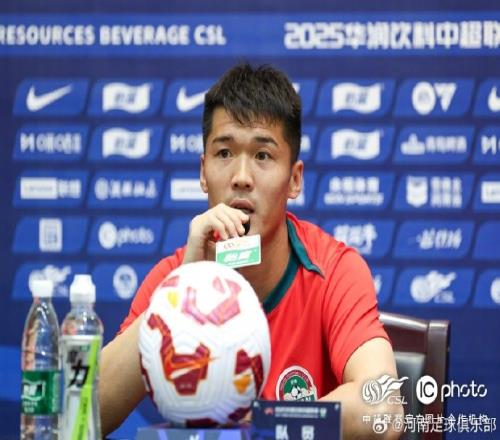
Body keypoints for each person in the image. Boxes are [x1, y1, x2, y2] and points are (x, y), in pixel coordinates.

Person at [99, 63, 403, 438]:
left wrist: (257, 425)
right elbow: (86, 413)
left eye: (262, 156)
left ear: (294, 179)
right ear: (203, 172)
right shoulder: (174, 279)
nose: (241, 177)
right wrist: (181, 292)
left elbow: (384, 409)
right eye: (224, 153)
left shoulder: (333, 269)